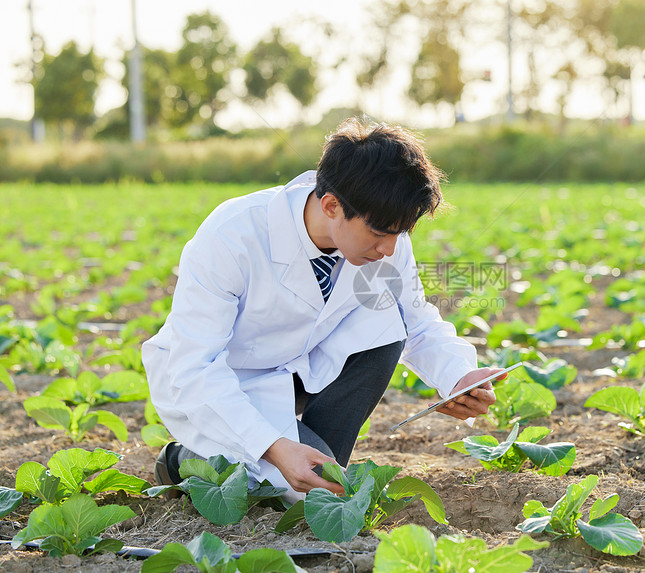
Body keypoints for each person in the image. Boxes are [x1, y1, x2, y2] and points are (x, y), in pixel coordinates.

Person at [142, 117, 505, 501]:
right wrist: (274, 446)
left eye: (400, 234)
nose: (389, 250)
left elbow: (415, 321)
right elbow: (195, 369)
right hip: (223, 385)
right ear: (331, 205)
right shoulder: (231, 236)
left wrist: (458, 377)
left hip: (303, 368)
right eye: (381, 234)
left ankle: (312, 463)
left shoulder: (384, 235)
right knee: (302, 490)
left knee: (386, 323)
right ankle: (184, 459)